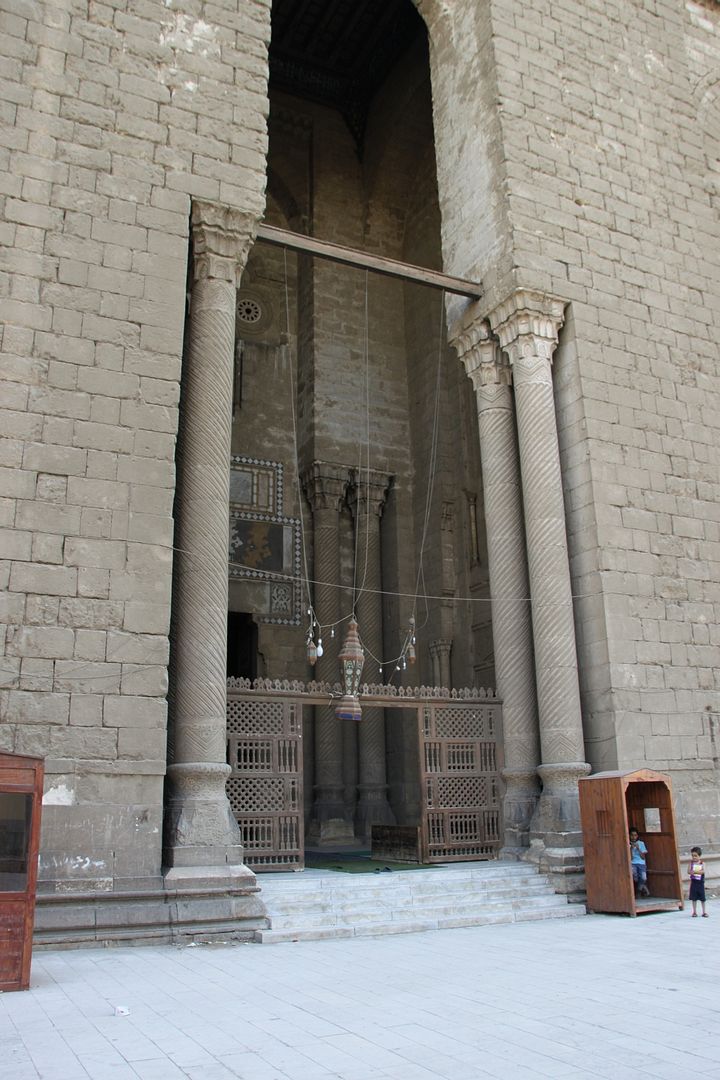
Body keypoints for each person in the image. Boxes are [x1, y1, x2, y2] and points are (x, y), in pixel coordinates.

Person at [629, 828, 649, 897]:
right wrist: (631, 848)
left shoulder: (641, 843)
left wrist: (638, 848)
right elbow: (630, 858)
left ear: (637, 836)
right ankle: (643, 887)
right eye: (632, 835)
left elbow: (643, 857)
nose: (633, 837)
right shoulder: (628, 844)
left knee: (643, 878)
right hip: (632, 863)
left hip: (641, 863)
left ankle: (639, 889)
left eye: (635, 835)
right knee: (634, 876)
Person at [688, 847, 708, 917]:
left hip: (700, 883)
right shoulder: (691, 863)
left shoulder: (702, 863)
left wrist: (695, 871)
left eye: (695, 856)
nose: (694, 857)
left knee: (702, 898)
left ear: (699, 856)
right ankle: (694, 912)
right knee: (694, 898)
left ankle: (704, 912)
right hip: (694, 883)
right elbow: (688, 871)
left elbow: (703, 871)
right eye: (693, 856)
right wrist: (691, 872)